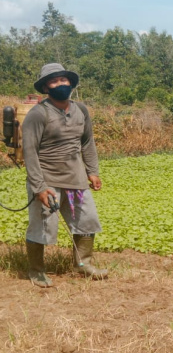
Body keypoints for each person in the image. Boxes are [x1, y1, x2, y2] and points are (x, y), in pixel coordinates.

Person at [22, 63, 107, 287]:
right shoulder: (38, 114)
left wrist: (92, 171)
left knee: (87, 221)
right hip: (47, 180)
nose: (60, 84)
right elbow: (29, 153)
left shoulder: (81, 110)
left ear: (70, 83)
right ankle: (36, 270)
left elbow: (87, 143)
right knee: (42, 226)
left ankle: (83, 264)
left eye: (63, 79)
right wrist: (39, 187)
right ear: (46, 87)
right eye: (53, 81)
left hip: (76, 179)